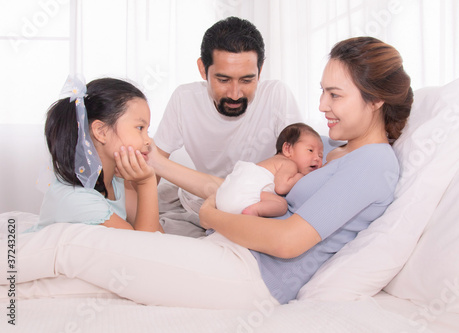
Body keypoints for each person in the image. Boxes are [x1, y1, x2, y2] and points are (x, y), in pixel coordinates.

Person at [11, 37, 412, 309]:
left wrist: (210, 215)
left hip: (252, 278)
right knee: (98, 277)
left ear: (375, 100)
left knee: (70, 242)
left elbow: (290, 242)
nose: (322, 104)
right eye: (322, 90)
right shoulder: (329, 150)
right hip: (230, 251)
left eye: (335, 95)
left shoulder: (373, 163)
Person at [153, 16, 302, 237]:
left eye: (246, 80)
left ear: (260, 70)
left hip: (258, 204)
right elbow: (153, 163)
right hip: (203, 202)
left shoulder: (277, 95)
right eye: (223, 80)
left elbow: (302, 161)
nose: (235, 94)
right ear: (203, 69)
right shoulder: (184, 98)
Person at [34, 76, 163, 233]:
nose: (148, 140)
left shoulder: (116, 181)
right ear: (101, 132)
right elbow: (146, 246)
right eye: (140, 128)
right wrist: (146, 183)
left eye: (147, 130)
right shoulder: (77, 200)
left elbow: (157, 235)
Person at [216, 122, 323, 217]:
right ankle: (254, 211)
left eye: (320, 155)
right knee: (281, 205)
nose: (317, 158)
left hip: (223, 197)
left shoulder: (271, 162)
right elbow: (281, 187)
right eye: (310, 150)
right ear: (287, 149)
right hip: (245, 193)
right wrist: (301, 176)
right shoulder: (288, 164)